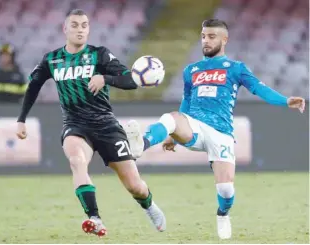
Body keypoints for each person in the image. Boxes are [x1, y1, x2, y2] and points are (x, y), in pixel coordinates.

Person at [124, 19, 305, 240]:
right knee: (169, 117)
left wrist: (286, 101)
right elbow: (186, 104)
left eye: (211, 37)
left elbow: (259, 89)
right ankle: (140, 144)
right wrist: (174, 132)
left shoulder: (236, 68)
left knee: (226, 191)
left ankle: (222, 214)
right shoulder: (191, 70)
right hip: (196, 126)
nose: (206, 41)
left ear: (224, 39)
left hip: (221, 133)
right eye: (203, 36)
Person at [16, 9, 166, 237]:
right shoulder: (52, 59)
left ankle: (149, 205)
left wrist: (105, 78)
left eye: (84, 25)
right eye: (74, 25)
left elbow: (131, 81)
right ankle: (94, 218)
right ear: (65, 29)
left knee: (134, 185)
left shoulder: (100, 55)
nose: (80, 29)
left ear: (88, 30)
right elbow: (34, 86)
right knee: (77, 161)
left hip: (106, 125)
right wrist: (21, 119)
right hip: (75, 125)